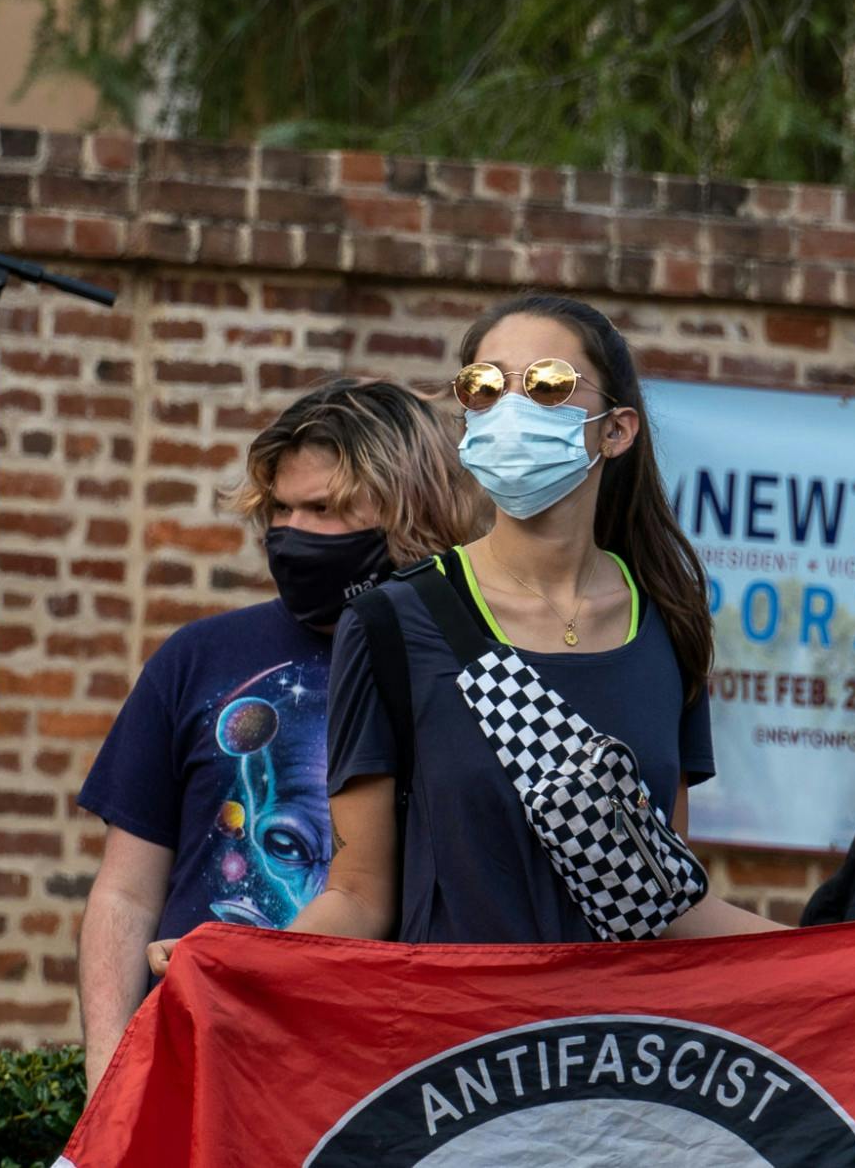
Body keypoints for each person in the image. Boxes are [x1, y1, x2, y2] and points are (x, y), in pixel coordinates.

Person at [149, 293, 779, 977]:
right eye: (483, 387)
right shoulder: (394, 621)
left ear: (616, 430)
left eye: (546, 384)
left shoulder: (666, 621)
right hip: (461, 1060)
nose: (510, 408)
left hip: (619, 1055)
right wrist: (235, 959)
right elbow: (359, 898)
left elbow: (664, 906)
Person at [75, 378, 488, 1093]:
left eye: (323, 508)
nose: (291, 532)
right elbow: (125, 893)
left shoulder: (477, 668)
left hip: (391, 1076)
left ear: (406, 509)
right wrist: (112, 1063)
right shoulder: (197, 658)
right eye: (280, 508)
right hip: (202, 1061)